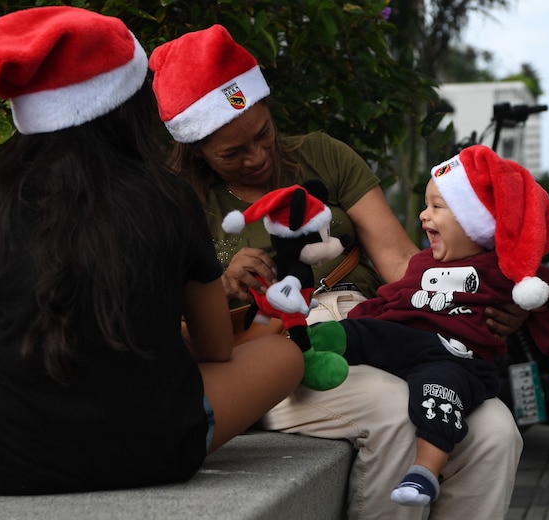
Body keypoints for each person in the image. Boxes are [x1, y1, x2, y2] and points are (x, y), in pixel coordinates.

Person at [0, 8, 303, 514]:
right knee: (284, 356)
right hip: (157, 446)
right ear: (128, 103)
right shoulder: (168, 197)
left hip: (2, 450)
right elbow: (217, 350)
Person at [148, 24, 527, 519]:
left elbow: (398, 262)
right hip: (277, 351)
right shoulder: (174, 203)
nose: (258, 157)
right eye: (232, 153)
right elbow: (165, 326)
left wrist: (480, 298)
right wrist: (221, 286)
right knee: (396, 414)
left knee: (496, 428)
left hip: (380, 329)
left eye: (263, 134)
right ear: (196, 149)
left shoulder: (322, 153)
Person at [329, 145, 549, 507]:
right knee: (357, 332)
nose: (424, 216)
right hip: (405, 340)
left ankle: (424, 471)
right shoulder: (423, 262)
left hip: (457, 358)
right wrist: (359, 321)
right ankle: (305, 346)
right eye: (426, 205)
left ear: (476, 221)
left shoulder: (503, 269)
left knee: (439, 393)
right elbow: (393, 299)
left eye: (437, 207)